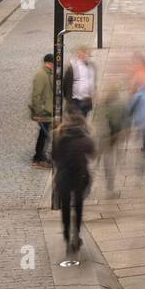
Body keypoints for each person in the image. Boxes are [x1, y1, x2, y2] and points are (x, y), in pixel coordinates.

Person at [52, 107, 95, 256]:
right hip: (80, 177)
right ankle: (76, 233)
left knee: (65, 207)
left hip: (63, 177)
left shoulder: (58, 135)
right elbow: (92, 153)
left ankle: (66, 234)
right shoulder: (85, 138)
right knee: (78, 206)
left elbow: (54, 157)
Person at [29, 53, 55, 168]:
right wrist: (38, 113)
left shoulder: (48, 73)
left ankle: (40, 156)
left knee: (44, 134)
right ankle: (38, 158)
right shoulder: (41, 75)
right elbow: (36, 95)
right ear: (49, 63)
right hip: (43, 112)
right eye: (53, 63)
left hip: (47, 110)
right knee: (44, 135)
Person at [63, 46, 96, 118]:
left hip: (86, 100)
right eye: (82, 53)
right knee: (75, 120)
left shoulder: (91, 66)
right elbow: (65, 84)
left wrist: (92, 95)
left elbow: (92, 82)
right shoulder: (72, 66)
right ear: (78, 54)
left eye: (86, 53)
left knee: (83, 119)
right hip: (75, 101)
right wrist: (69, 99)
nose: (84, 55)